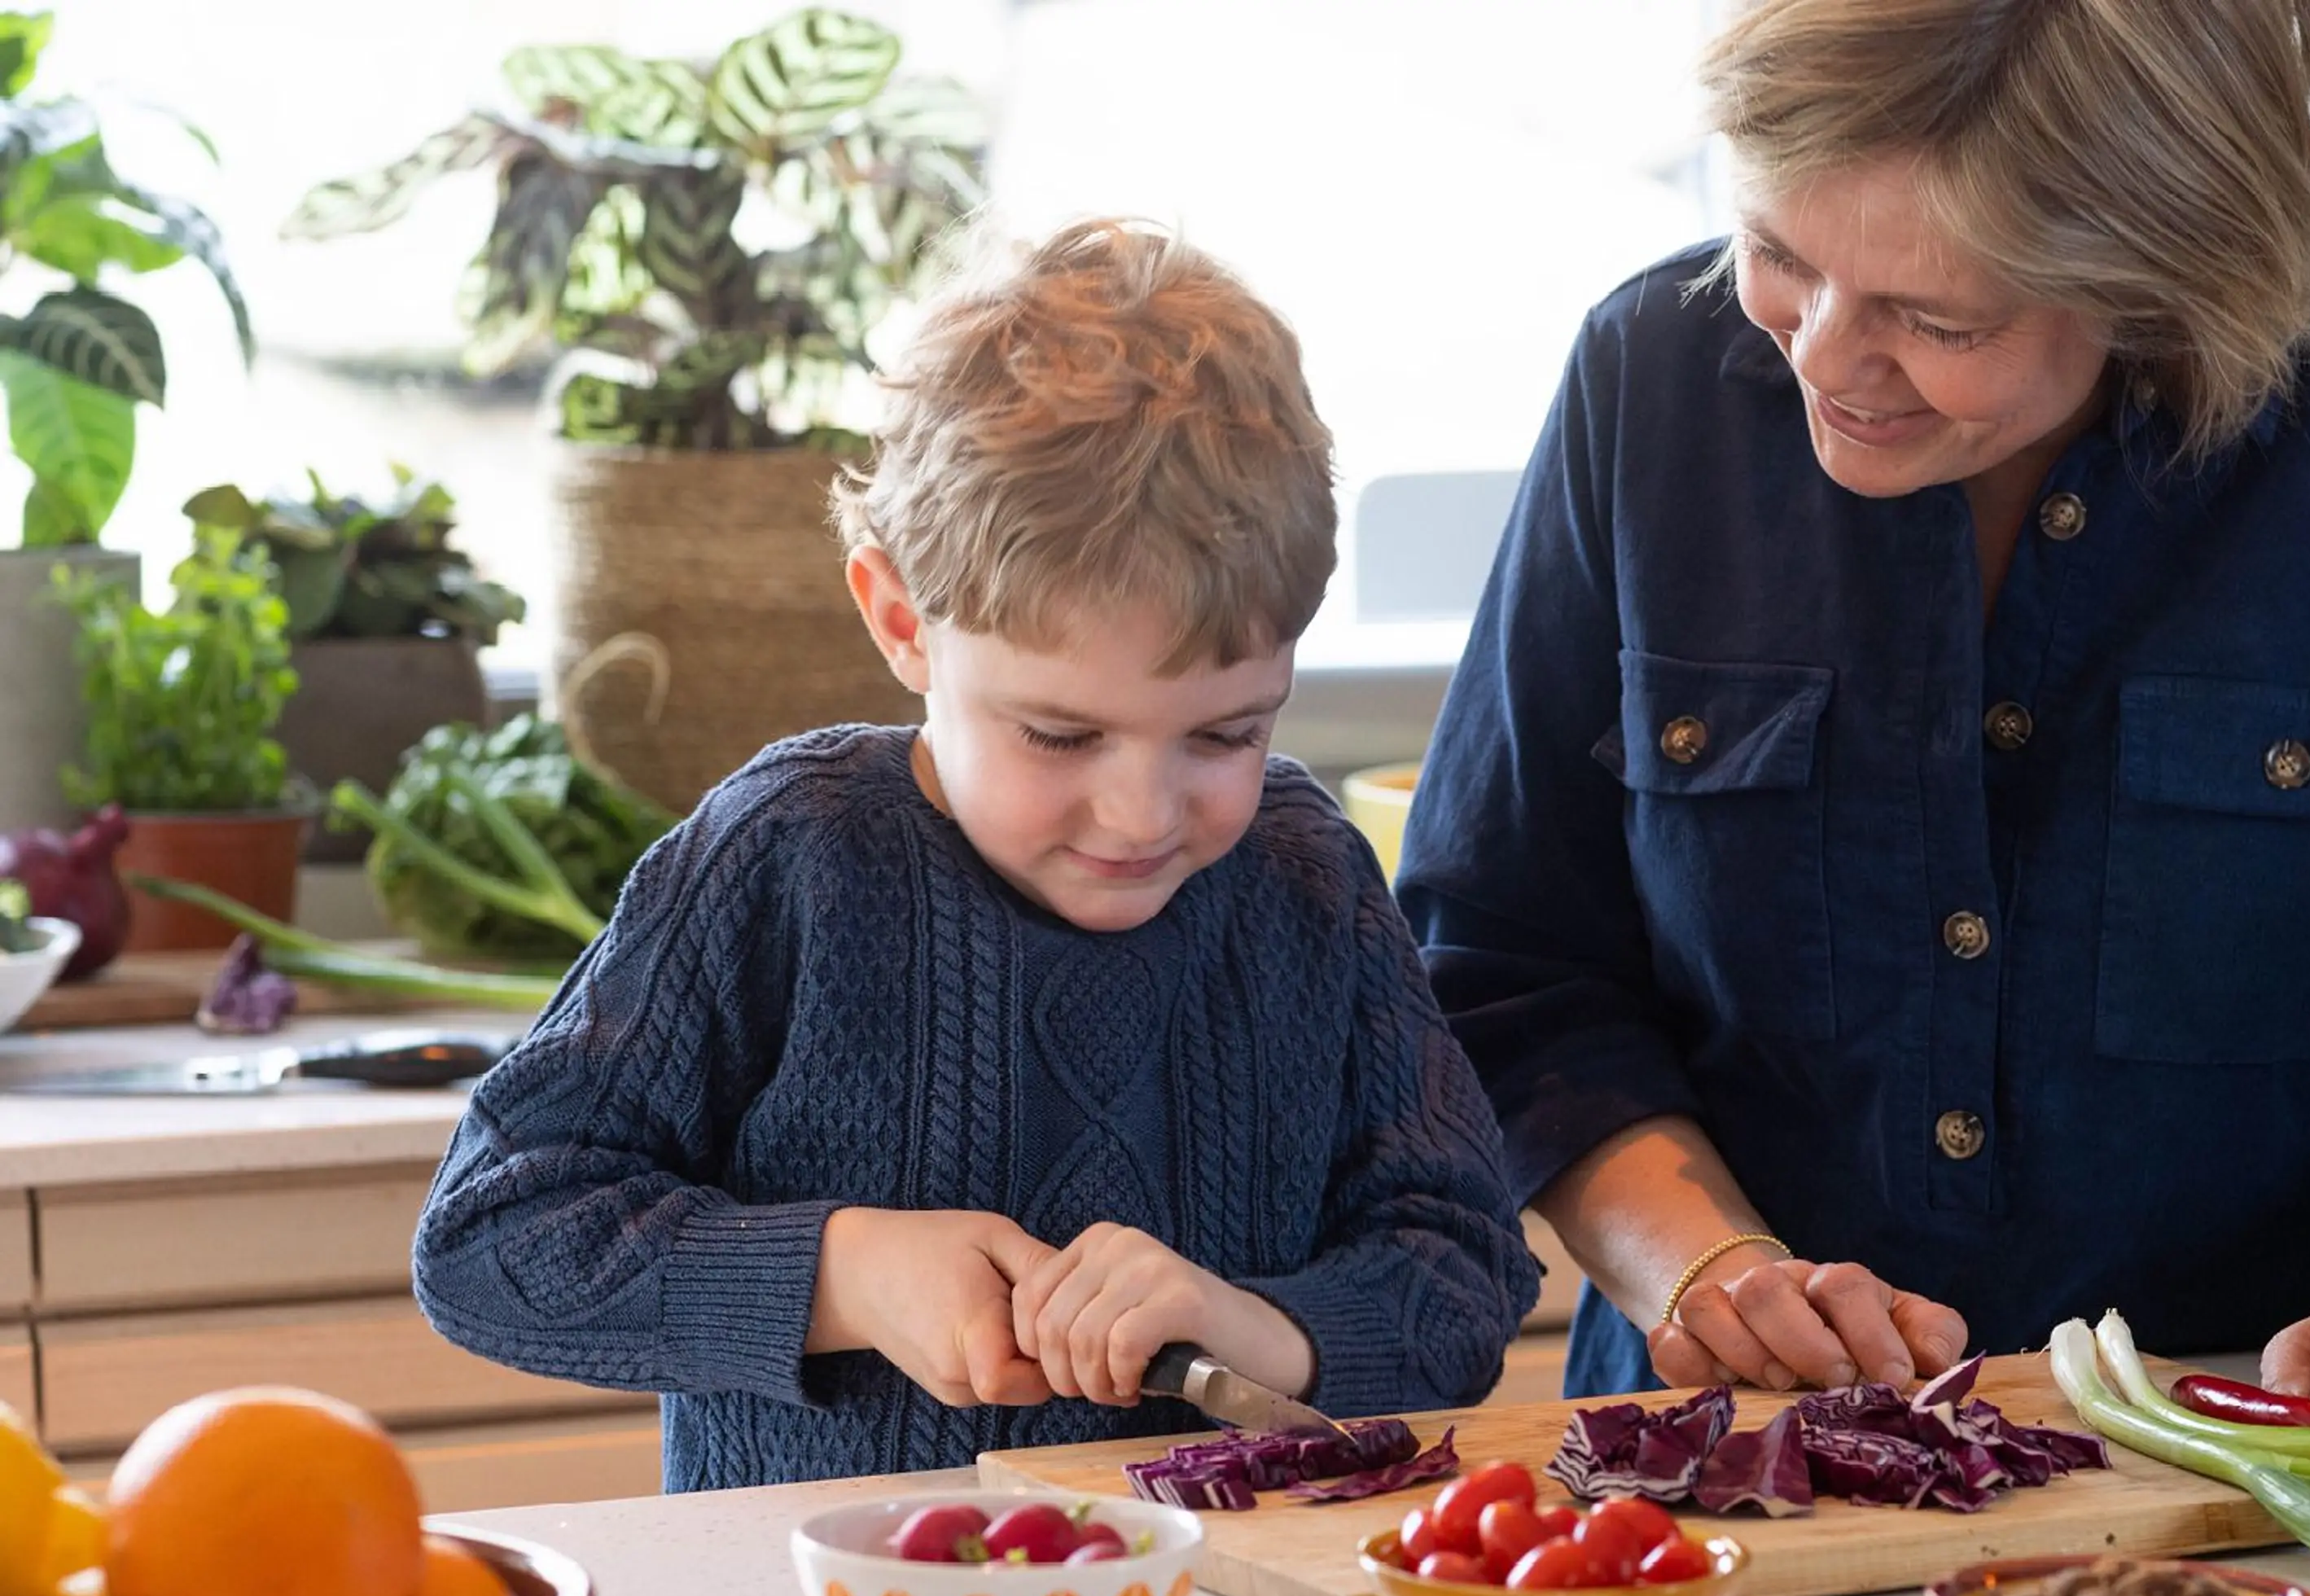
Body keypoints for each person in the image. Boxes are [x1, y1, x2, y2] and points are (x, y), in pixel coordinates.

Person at [1398, 0, 2310, 1433]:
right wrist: (1714, 1275)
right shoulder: (1648, 379)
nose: (1818, 357)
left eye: (1937, 321)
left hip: (2285, 1481)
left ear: (2165, 273)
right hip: (1744, 1469)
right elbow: (1501, 957)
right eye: (1779, 255)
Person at [415, 219, 1541, 1490]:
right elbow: (489, 1238)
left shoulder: (1307, 879)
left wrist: (1252, 1331)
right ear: (902, 620)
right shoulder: (785, 854)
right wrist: (841, 1272)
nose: (1141, 814)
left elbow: (1462, 1270)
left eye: (1227, 731)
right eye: (1060, 734)